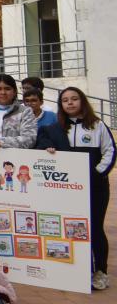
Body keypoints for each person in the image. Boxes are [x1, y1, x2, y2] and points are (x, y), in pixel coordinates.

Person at [37, 86, 114, 290]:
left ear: (82, 101)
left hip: (96, 188)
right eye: (65, 100)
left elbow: (109, 152)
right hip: (67, 190)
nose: (70, 103)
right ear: (61, 105)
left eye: (74, 99)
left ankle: (101, 272)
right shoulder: (55, 129)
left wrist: (96, 174)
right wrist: (47, 149)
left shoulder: (97, 126)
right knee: (73, 229)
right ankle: (79, 271)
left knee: (95, 228)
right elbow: (42, 147)